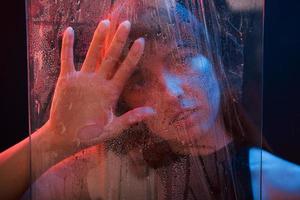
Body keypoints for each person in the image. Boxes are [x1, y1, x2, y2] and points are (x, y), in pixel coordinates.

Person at [1, 0, 300, 199]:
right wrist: (53, 139)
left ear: (216, 63)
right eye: (140, 81)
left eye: (182, 58)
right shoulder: (102, 173)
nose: (171, 92)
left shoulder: (271, 181)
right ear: (123, 99)